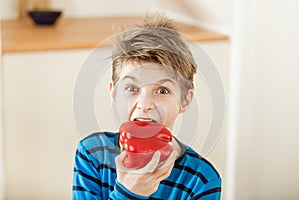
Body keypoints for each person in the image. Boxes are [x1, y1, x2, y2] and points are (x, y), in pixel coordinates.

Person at [72, 12, 221, 199]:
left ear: (185, 100)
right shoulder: (92, 154)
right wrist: (128, 193)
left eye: (162, 91)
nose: (145, 104)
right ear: (114, 93)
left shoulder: (202, 179)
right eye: (132, 88)